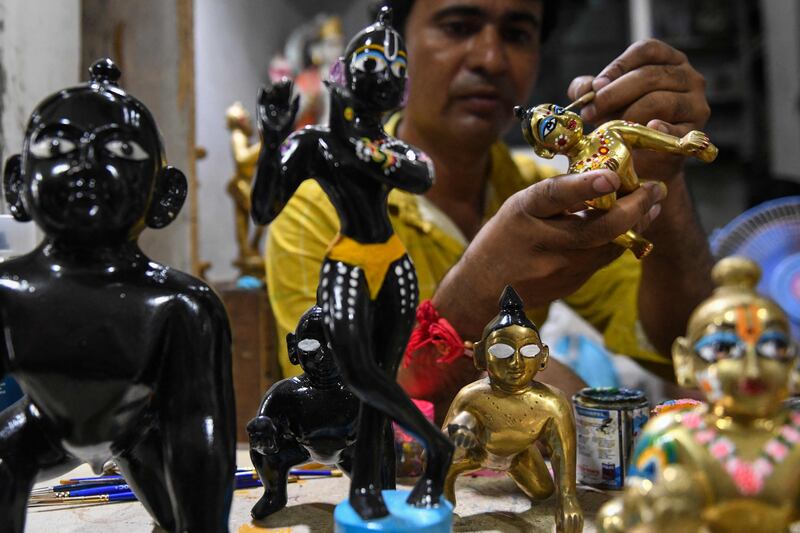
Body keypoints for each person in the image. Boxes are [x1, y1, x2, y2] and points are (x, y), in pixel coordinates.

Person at [265, 0, 714, 422]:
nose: (491, 60)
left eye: (517, 34)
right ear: (399, 43)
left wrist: (662, 176)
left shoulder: (543, 191)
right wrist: (475, 292)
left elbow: (686, 343)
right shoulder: (321, 207)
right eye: (458, 27)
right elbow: (340, 408)